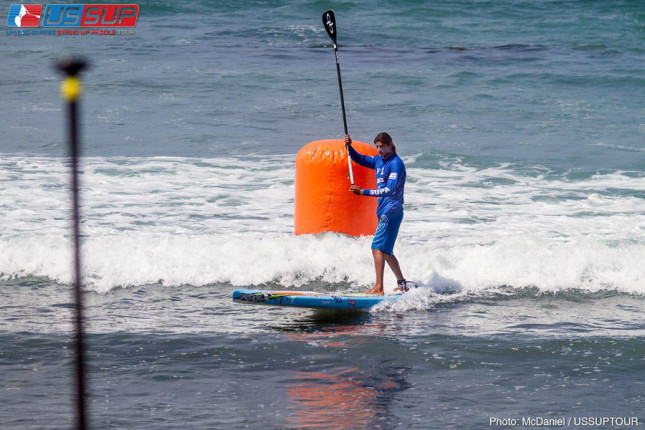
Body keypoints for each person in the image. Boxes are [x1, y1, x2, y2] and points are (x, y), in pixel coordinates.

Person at [345, 132, 409, 295]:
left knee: (376, 247)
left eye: (382, 147)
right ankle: (402, 284)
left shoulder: (396, 164)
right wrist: (349, 147)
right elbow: (359, 159)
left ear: (390, 145)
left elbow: (390, 190)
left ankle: (379, 288)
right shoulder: (377, 161)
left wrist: (363, 191)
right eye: (377, 147)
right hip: (384, 211)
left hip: (391, 211)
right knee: (386, 251)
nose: (379, 150)